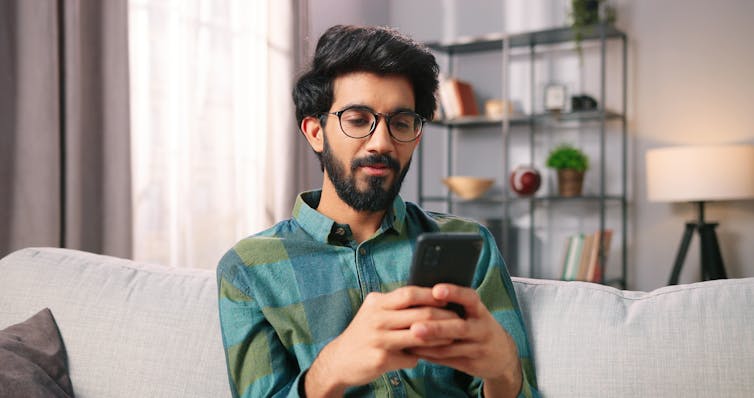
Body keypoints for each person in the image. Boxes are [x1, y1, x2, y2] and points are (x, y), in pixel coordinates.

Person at [216, 24, 539, 398]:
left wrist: (504, 373)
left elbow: (519, 390)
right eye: (357, 120)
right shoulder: (247, 271)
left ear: (416, 136)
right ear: (315, 132)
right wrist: (329, 371)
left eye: (400, 123)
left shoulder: (469, 245)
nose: (382, 142)